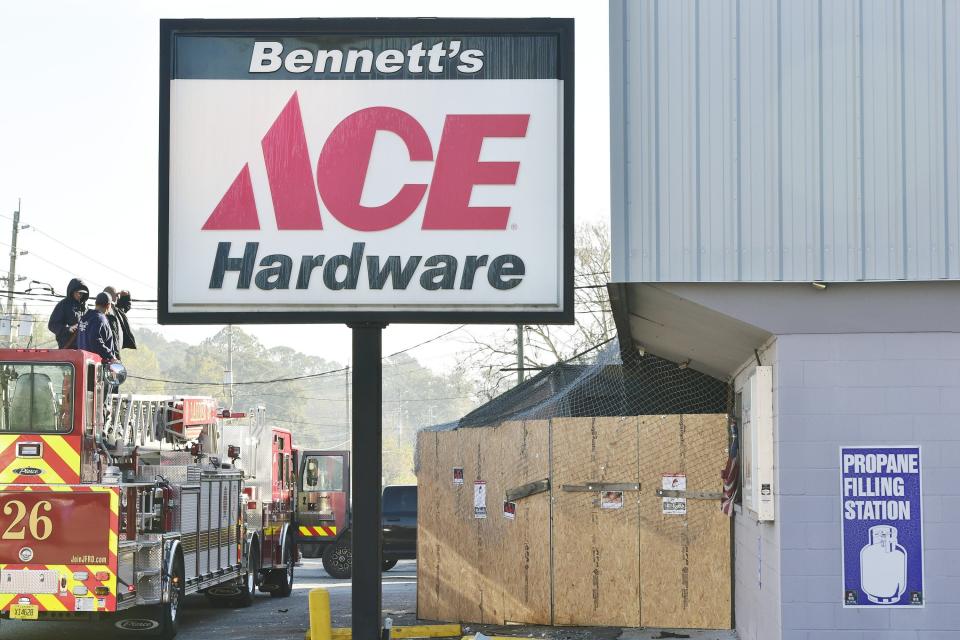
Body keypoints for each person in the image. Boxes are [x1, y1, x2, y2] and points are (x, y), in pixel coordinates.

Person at [47, 278, 89, 348]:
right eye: (79, 293)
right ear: (72, 291)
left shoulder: (85, 307)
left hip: (83, 347)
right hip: (67, 348)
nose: (80, 295)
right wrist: (68, 329)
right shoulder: (63, 305)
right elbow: (52, 325)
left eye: (82, 293)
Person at [77, 292, 116, 362]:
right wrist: (111, 356)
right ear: (108, 305)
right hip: (97, 366)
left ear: (95, 303)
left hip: (83, 362)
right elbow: (95, 340)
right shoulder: (100, 319)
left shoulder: (84, 318)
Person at [101, 287, 123, 360]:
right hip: (109, 356)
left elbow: (125, 306)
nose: (117, 297)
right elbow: (113, 337)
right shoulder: (107, 314)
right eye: (116, 295)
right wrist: (115, 356)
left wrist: (126, 296)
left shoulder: (115, 310)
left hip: (111, 354)